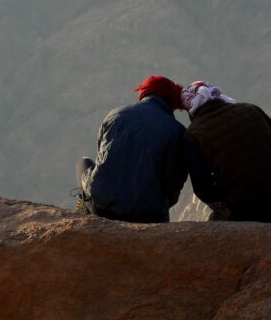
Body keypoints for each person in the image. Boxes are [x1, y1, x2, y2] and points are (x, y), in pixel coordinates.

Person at [180, 81, 271, 223]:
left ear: (191, 108)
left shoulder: (192, 135)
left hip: (244, 209)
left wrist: (227, 202)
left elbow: (203, 188)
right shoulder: (250, 109)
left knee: (217, 220)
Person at [75, 75, 188, 223]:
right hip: (148, 215)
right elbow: (173, 182)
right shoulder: (177, 131)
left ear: (145, 93)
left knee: (84, 163)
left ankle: (82, 218)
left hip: (102, 208)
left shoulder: (115, 114)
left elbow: (102, 158)